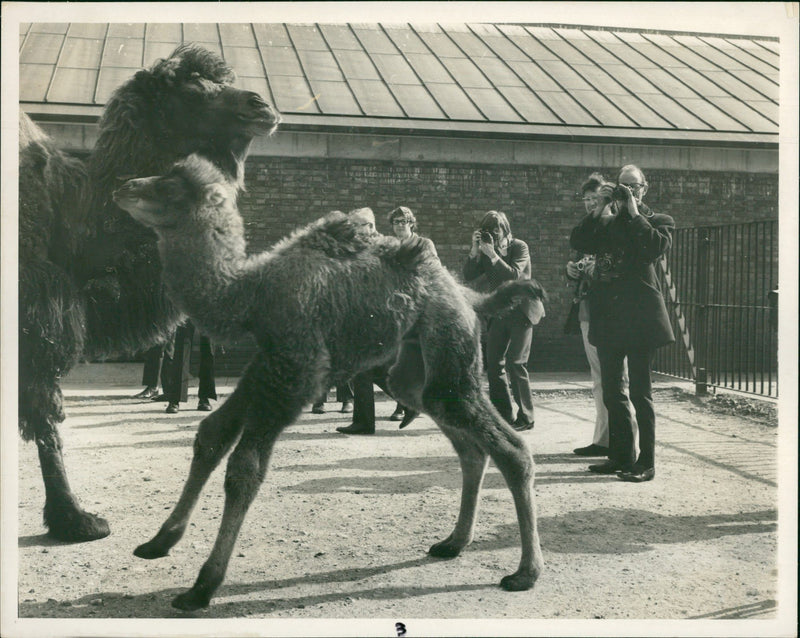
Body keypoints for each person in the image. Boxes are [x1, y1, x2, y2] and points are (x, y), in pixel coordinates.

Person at [570, 165, 675, 482]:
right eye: (623, 186)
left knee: (641, 393)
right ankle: (620, 455)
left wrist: (632, 210)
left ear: (646, 188)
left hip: (641, 319)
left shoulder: (658, 221)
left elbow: (653, 249)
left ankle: (646, 462)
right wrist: (601, 205)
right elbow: (579, 240)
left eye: (635, 186)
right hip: (610, 317)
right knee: (612, 392)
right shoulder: (607, 222)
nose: (629, 190)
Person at [566, 173, 636, 457]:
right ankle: (604, 439)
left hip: (613, 314)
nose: (589, 205)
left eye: (595, 199)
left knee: (617, 381)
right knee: (600, 380)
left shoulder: (615, 227)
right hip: (588, 312)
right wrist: (569, 271)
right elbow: (580, 255)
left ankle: (624, 444)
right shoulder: (590, 229)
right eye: (586, 200)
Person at [336, 206, 423, 435]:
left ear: (369, 226)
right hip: (371, 317)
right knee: (366, 369)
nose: (353, 231)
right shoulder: (365, 246)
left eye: (357, 226)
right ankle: (400, 407)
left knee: (365, 367)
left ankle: (375, 417)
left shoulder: (384, 247)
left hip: (382, 318)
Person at [463, 210, 543, 431]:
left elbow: (516, 277)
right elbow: (468, 275)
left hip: (523, 310)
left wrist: (493, 256)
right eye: (487, 231)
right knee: (494, 362)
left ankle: (527, 417)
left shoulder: (519, 247)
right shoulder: (487, 251)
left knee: (516, 363)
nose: (492, 236)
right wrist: (474, 250)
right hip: (500, 311)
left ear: (505, 229)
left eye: (495, 231)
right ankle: (503, 416)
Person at [161, 320, 218, 414]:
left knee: (208, 351)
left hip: (205, 312)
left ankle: (204, 398)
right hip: (185, 311)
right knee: (180, 352)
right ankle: (174, 399)